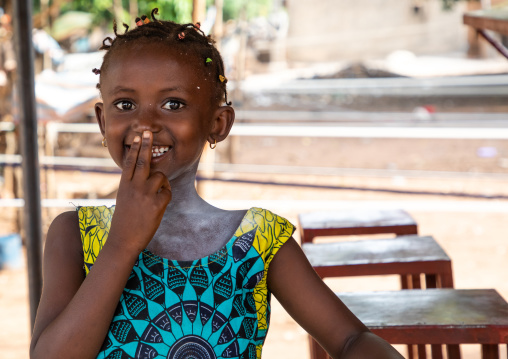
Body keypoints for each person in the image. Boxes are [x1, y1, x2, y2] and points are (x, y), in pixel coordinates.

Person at [30, 9, 404, 359]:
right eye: (125, 104)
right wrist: (123, 242)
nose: (145, 123)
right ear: (101, 120)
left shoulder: (257, 242)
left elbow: (351, 339)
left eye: (173, 104)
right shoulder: (74, 235)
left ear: (218, 124)